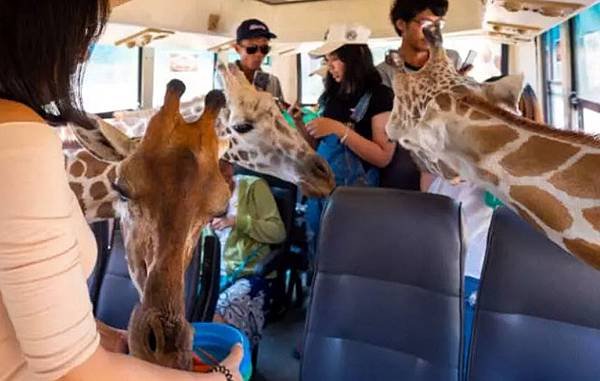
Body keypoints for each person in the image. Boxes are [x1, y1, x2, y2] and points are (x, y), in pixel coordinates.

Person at [0, 2, 241, 380]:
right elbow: (75, 375)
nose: (81, 53)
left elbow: (15, 303)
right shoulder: (17, 136)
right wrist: (220, 378)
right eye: (81, 35)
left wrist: (95, 335)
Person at [299, 23, 396, 254]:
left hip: (356, 200)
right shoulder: (333, 97)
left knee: (348, 257)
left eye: (335, 59)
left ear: (354, 58)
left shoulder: (380, 96)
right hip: (321, 192)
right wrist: (301, 125)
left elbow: (383, 156)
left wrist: (339, 129)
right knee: (319, 257)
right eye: (327, 59)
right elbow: (316, 146)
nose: (329, 66)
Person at [205, 160, 286, 348]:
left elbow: (278, 232)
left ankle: (227, 370)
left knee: (218, 315)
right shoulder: (201, 193)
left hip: (248, 274)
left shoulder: (253, 187)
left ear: (230, 168)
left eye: (223, 168)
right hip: (212, 272)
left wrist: (238, 221)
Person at [377, 0, 468, 88]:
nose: (432, 32)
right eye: (426, 24)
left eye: (438, 24)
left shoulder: (451, 59)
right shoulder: (384, 73)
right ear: (401, 24)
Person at [216, 18, 284, 102]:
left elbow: (281, 112)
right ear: (237, 48)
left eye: (264, 48)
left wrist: (290, 114)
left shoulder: (273, 82)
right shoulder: (225, 78)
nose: (259, 54)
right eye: (251, 48)